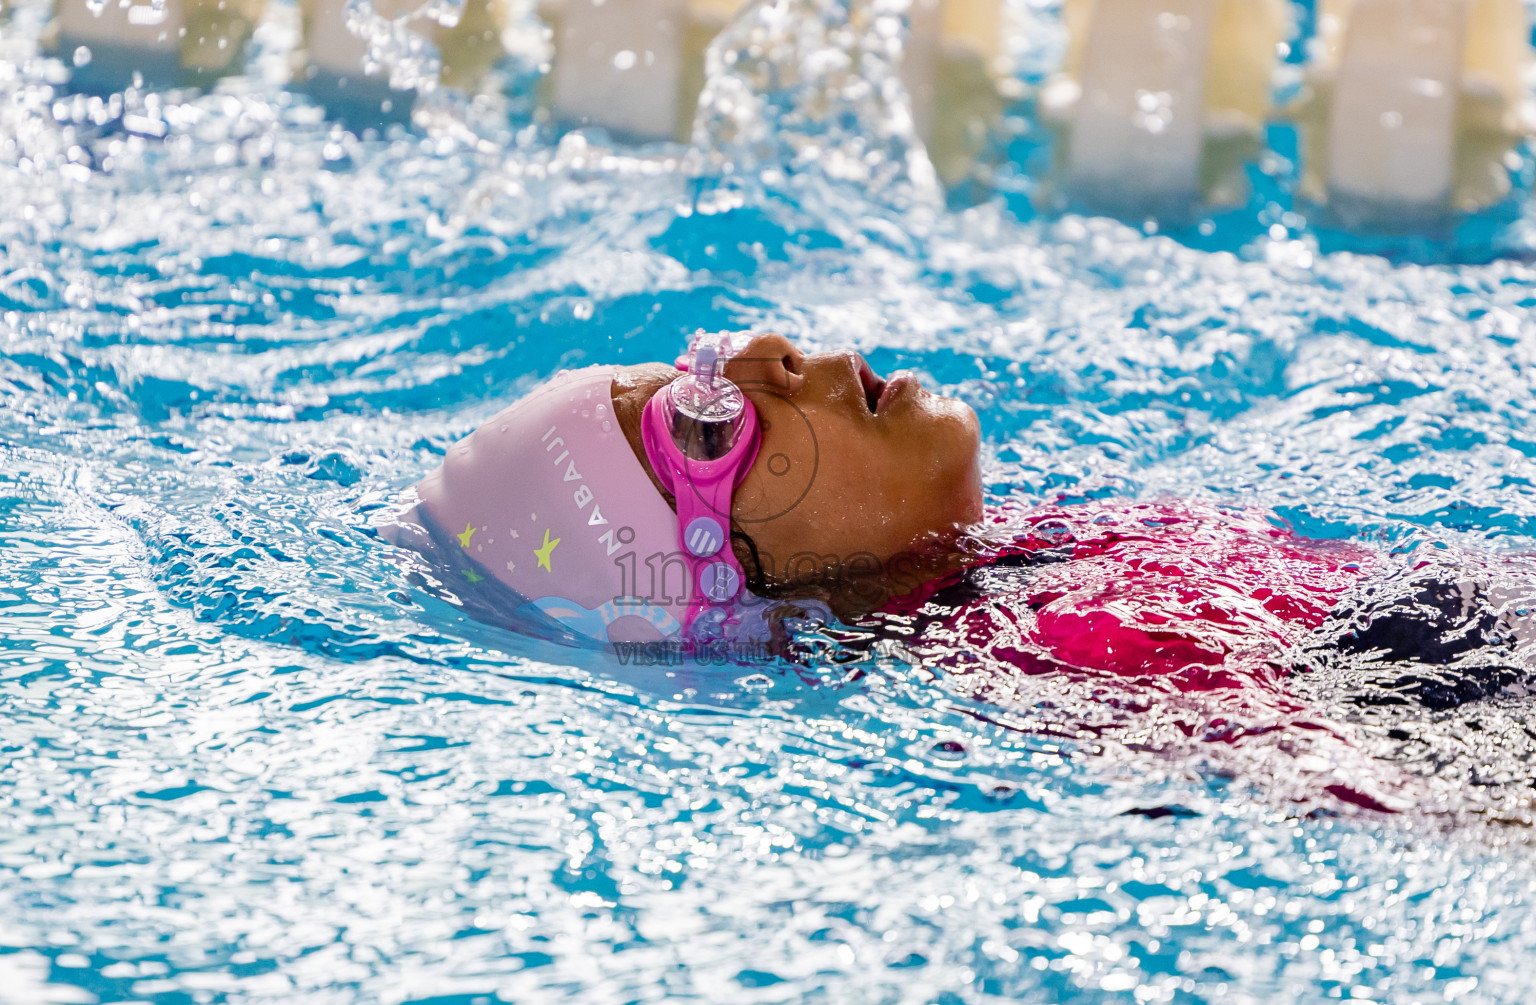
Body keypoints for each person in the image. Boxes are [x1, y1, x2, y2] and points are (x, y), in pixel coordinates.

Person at [387, 331, 1533, 807]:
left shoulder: (1024, 560)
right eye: (708, 421)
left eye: (701, 357)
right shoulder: (1036, 653)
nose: (776, 353)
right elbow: (1388, 784)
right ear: (728, 582)